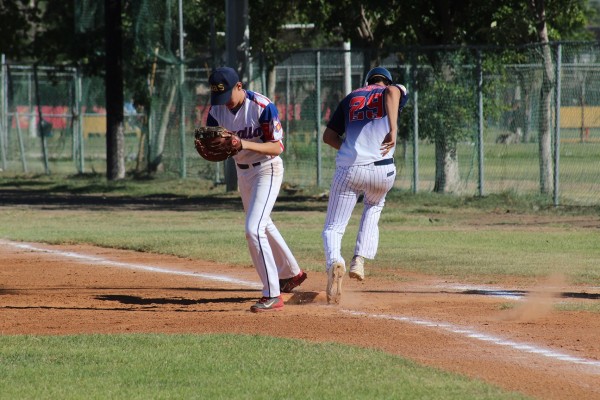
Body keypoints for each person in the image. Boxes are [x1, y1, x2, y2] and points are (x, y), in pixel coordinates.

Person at [205, 66, 307, 312]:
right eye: (218, 97)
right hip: (243, 171)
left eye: (227, 95)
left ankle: (272, 293)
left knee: (253, 229)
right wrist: (214, 146)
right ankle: (292, 273)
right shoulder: (217, 109)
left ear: (239, 86)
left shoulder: (262, 106)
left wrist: (242, 143)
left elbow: (276, 147)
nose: (224, 103)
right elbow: (210, 139)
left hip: (267, 169)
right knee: (263, 223)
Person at [321, 67, 408, 304]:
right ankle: (359, 259)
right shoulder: (391, 89)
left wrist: (352, 151)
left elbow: (328, 137)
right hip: (383, 169)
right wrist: (393, 127)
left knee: (333, 227)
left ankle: (334, 262)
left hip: (350, 168)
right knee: (373, 206)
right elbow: (391, 91)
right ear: (386, 80)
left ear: (367, 82)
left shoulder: (352, 98)